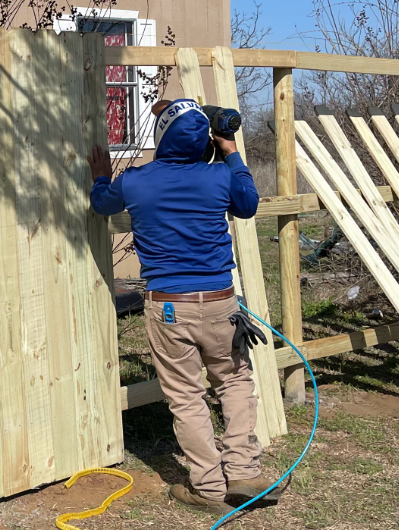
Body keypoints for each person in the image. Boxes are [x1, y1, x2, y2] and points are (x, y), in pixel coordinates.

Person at [87, 98, 278, 515]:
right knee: (234, 382)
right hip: (220, 302)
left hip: (169, 306)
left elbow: (102, 205)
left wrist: (101, 177)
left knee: (187, 396)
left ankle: (207, 487)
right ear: (205, 142)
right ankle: (244, 473)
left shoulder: (138, 181)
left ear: (162, 139)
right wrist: (230, 152)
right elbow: (247, 205)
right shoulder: (219, 177)